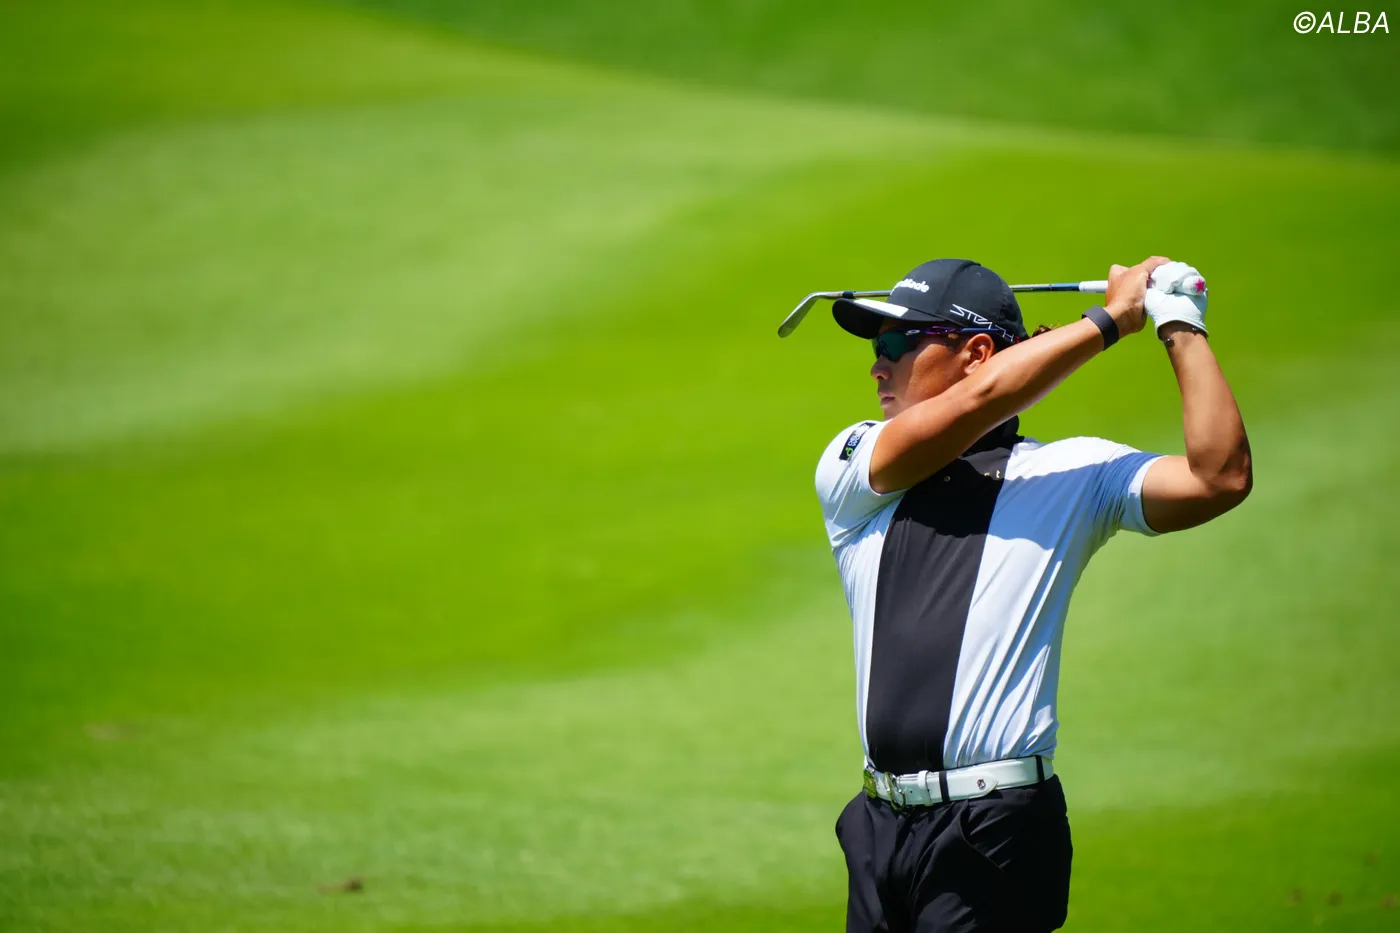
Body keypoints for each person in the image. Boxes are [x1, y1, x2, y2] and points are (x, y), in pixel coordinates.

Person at [812, 256, 1251, 932]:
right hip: (878, 829)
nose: (878, 366)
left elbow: (1217, 477)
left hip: (994, 831)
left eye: (898, 344)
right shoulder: (855, 462)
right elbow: (978, 402)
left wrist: (1179, 323)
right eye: (877, 347)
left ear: (976, 353)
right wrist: (1109, 320)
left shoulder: (1074, 473)